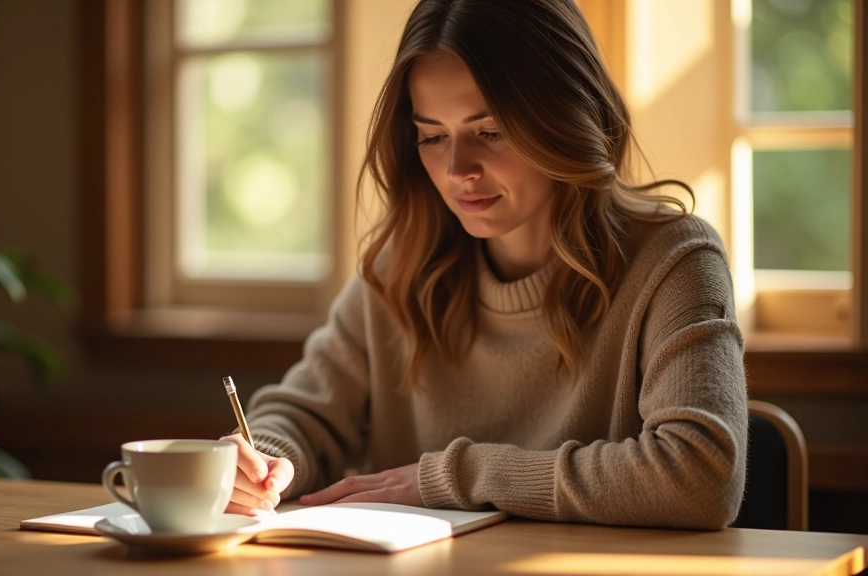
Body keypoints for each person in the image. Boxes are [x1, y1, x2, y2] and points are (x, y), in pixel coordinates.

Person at [220, 0, 747, 530]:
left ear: (567, 116)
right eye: (432, 136)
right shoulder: (398, 268)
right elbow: (304, 413)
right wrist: (263, 463)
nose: (457, 171)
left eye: (490, 132)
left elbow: (700, 475)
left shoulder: (675, 262)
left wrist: (455, 478)